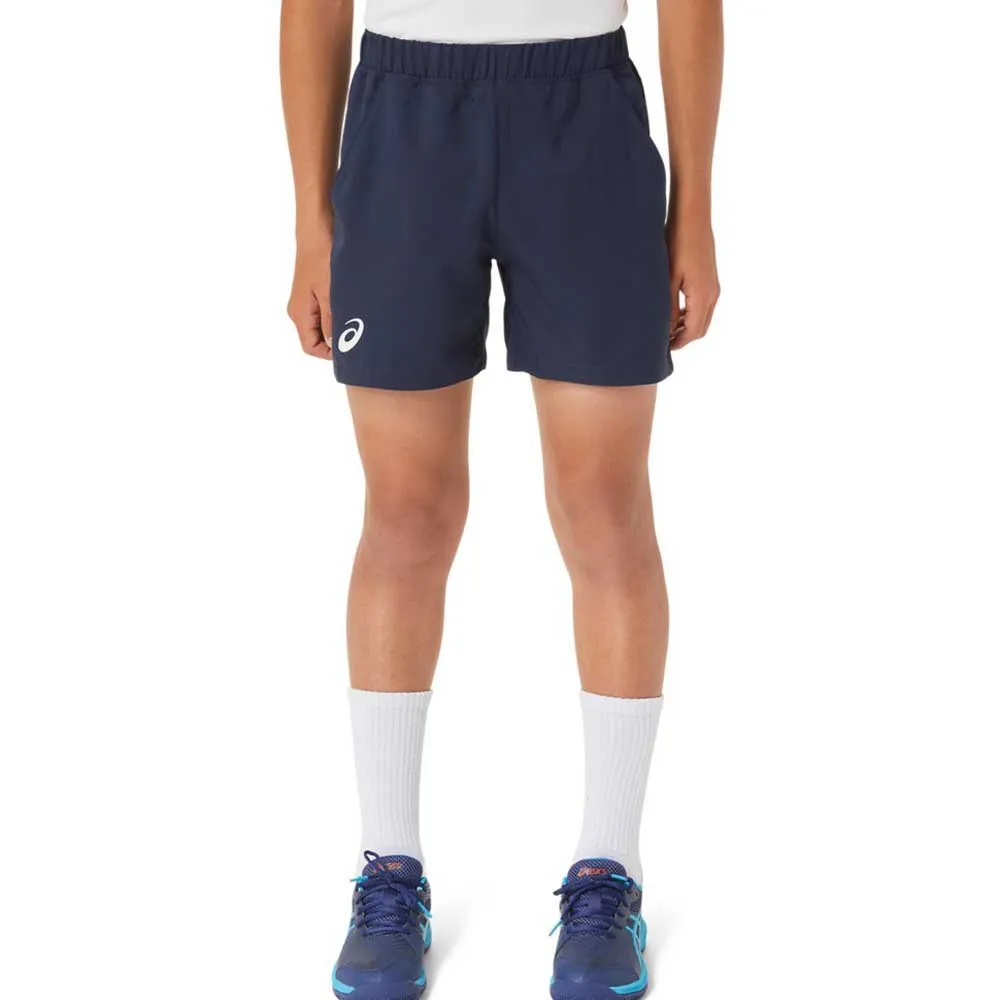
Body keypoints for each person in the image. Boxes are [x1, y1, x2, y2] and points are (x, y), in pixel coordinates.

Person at [280, 0, 722, 996]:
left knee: (604, 506)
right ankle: (388, 869)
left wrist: (693, 208)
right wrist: (311, 217)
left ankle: (608, 869)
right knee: (406, 511)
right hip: (404, 119)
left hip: (584, 119)